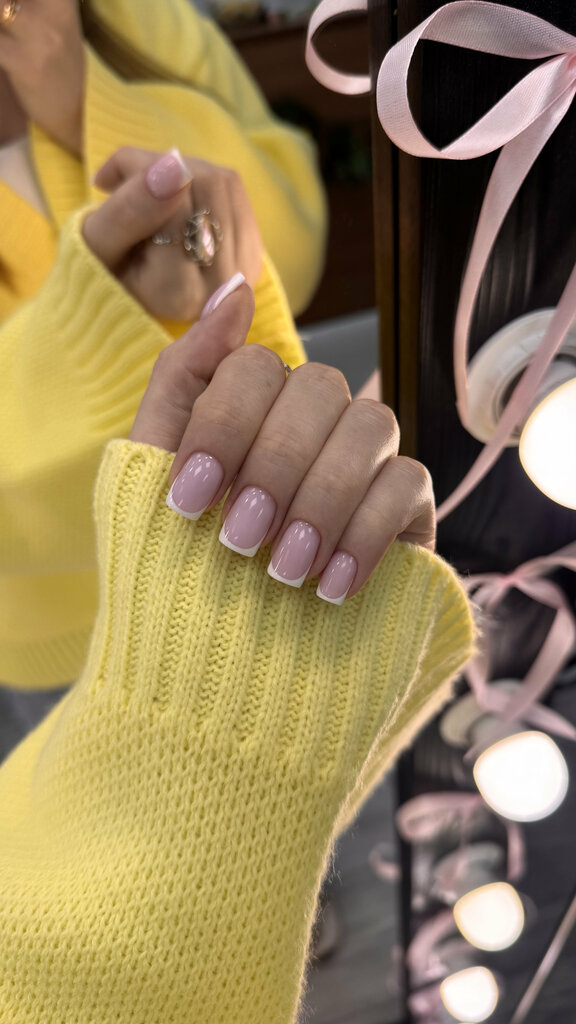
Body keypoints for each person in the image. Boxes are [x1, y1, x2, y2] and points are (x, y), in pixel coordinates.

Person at [0, 165, 476, 1022]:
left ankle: (269, 885)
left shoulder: (146, 99)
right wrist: (84, 336)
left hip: (181, 581)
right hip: (61, 613)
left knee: (239, 832)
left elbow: (294, 231)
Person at [0, 0, 326, 695]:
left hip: (265, 565)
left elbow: (298, 258)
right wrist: (100, 319)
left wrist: (84, 103)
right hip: (65, 640)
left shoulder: (136, 14)